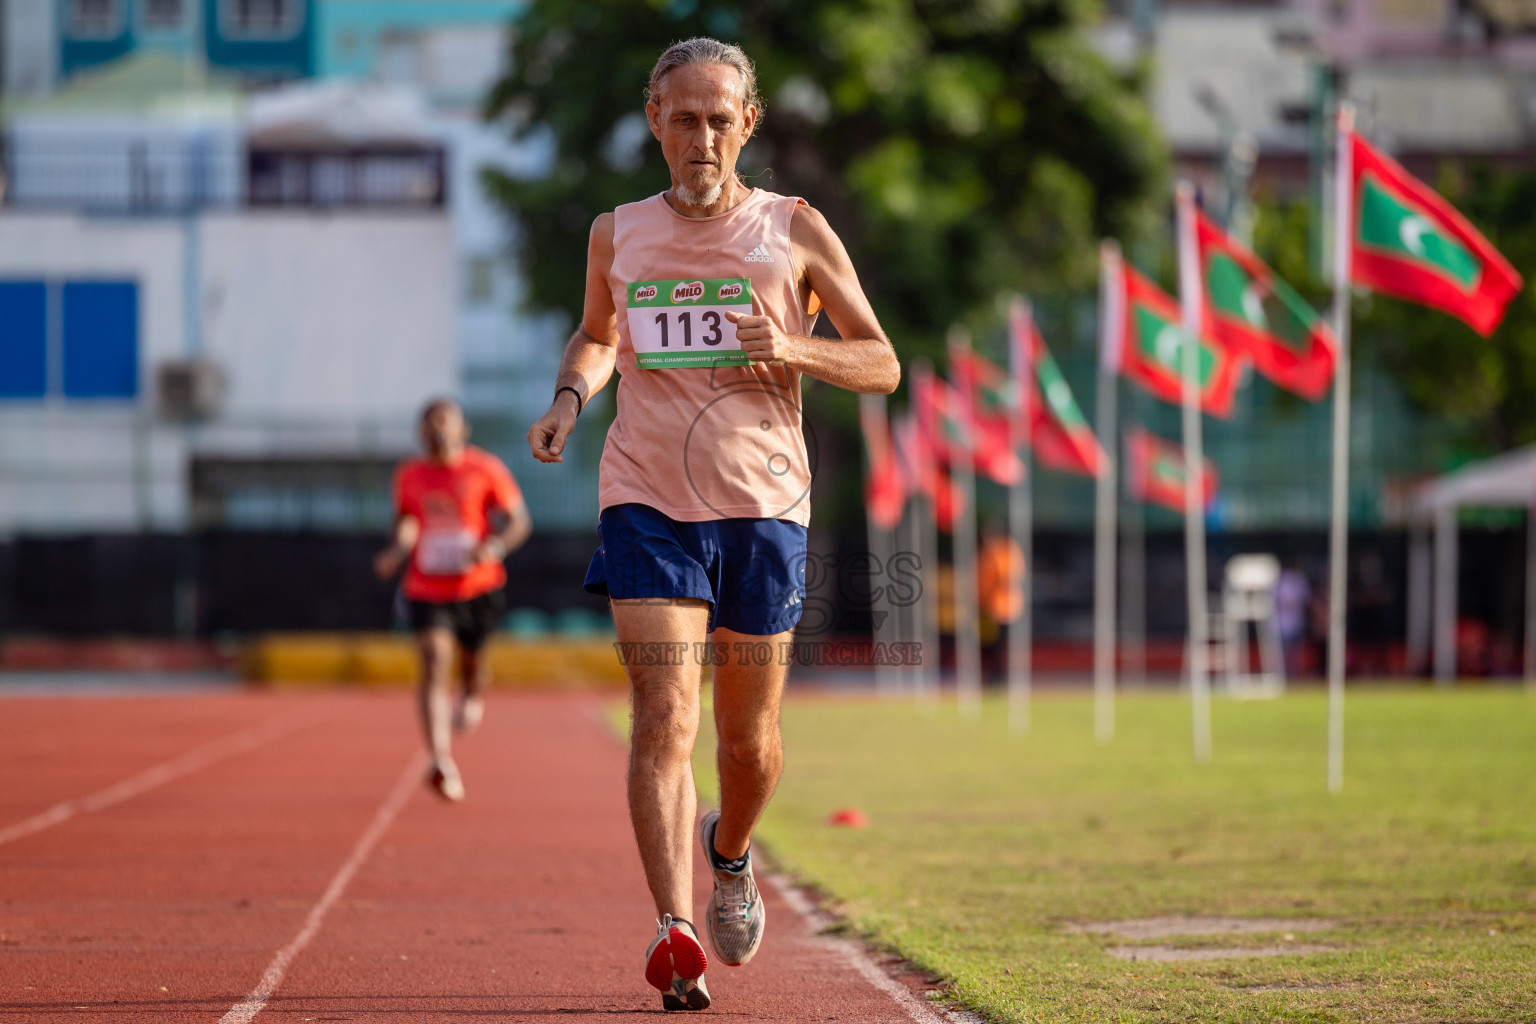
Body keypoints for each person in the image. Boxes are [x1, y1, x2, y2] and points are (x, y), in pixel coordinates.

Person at [526, 37, 899, 1012]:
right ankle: (675, 924)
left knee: (749, 743)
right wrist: (572, 394)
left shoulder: (795, 228)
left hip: (763, 508)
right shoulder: (620, 233)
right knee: (665, 714)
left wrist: (796, 349)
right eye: (683, 117)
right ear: (655, 119)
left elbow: (882, 362)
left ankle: (728, 850)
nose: (701, 136)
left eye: (719, 118)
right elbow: (601, 333)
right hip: (647, 497)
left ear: (748, 124)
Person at [376, 398, 531, 802]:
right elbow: (407, 521)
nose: (437, 430)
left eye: (445, 422)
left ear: (463, 429)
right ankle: (440, 760)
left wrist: (493, 546)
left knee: (472, 664)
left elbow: (519, 522)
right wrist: (397, 551)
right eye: (429, 424)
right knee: (433, 658)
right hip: (427, 587)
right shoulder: (409, 474)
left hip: (477, 586)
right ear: (420, 433)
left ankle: (474, 689)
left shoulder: (485, 468)